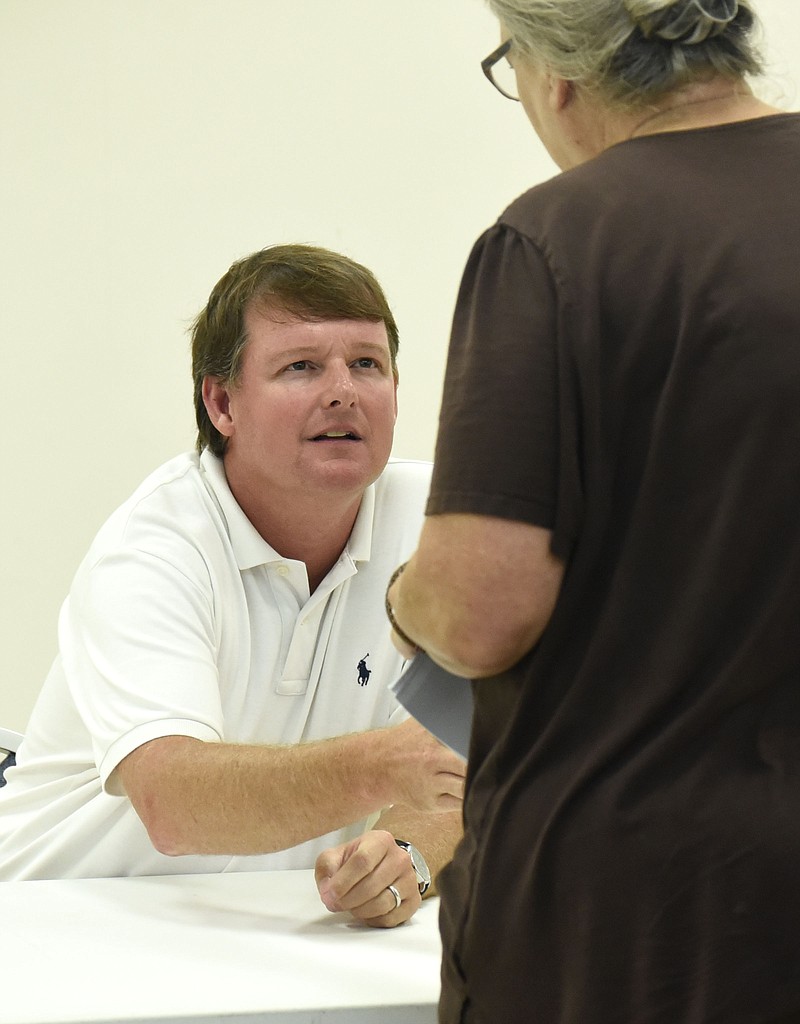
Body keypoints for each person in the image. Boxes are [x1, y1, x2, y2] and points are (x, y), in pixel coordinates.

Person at [387, 0, 800, 1018]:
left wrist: (405, 597)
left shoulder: (557, 239)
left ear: (553, 75)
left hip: (635, 915)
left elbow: (482, 611)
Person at [0, 243, 464, 928]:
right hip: (57, 927)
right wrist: (380, 767)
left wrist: (406, 856)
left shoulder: (446, 530)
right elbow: (174, 804)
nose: (343, 389)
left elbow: (465, 773)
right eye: (301, 366)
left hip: (268, 935)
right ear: (222, 403)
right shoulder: (155, 547)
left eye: (366, 363)